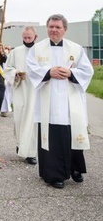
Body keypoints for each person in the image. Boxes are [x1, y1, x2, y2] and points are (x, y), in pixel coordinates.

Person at [26, 14, 94, 189]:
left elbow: (87, 70)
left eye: (57, 27)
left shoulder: (77, 49)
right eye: (51, 27)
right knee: (52, 138)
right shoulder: (37, 49)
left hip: (70, 101)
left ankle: (75, 169)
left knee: (72, 134)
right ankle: (54, 174)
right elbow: (31, 69)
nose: (54, 30)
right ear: (47, 28)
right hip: (48, 103)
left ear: (65, 29)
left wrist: (71, 74)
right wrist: (48, 72)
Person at [4, 27, 38, 165]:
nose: (27, 40)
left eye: (30, 38)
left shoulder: (40, 51)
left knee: (32, 121)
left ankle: (31, 152)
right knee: (19, 119)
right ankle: (20, 143)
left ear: (36, 37)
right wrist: (16, 73)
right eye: (25, 38)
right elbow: (7, 68)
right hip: (20, 89)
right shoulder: (16, 51)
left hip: (35, 91)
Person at [1, 45, 12, 117]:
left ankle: (5, 109)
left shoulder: (11, 57)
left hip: (9, 79)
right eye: (6, 48)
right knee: (4, 94)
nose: (7, 50)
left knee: (8, 95)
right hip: (2, 77)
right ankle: (3, 110)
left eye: (8, 49)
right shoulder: (2, 56)